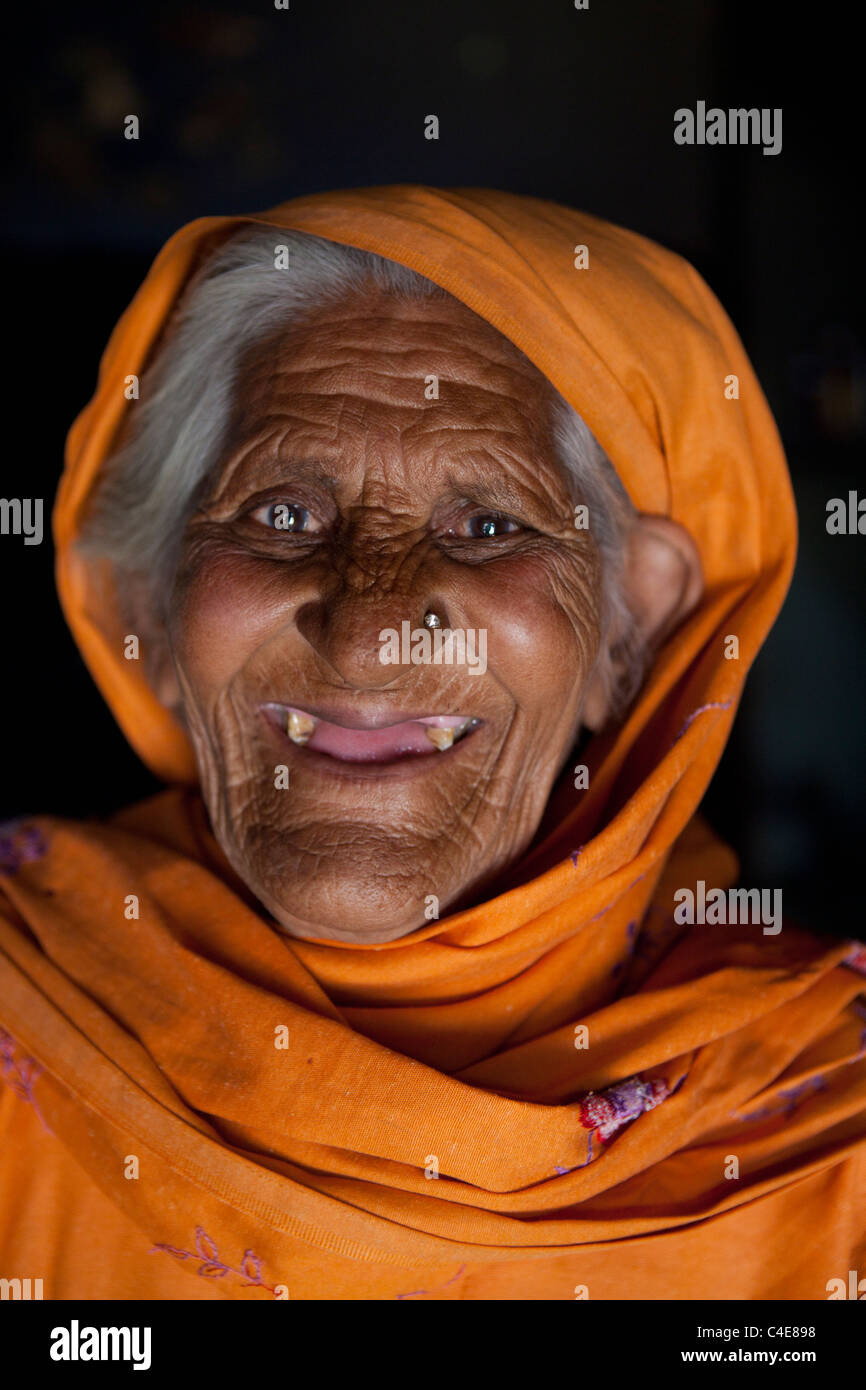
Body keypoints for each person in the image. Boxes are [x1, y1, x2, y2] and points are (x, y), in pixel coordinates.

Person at [1, 186, 863, 1300]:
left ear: (627, 628)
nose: (366, 631)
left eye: (488, 525)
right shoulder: (30, 1007)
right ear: (151, 617)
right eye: (280, 514)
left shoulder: (829, 1138)